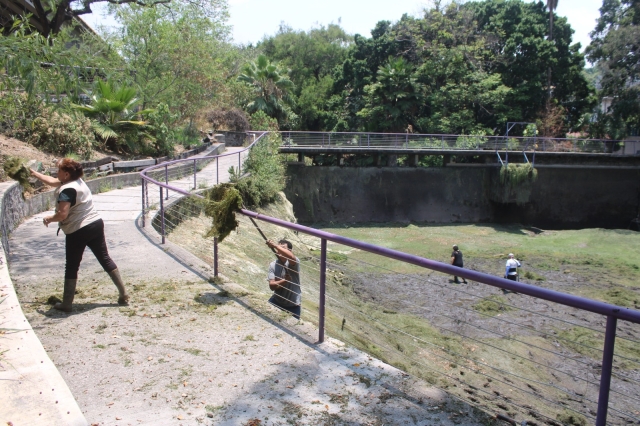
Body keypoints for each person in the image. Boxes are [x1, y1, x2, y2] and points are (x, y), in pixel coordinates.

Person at [30, 158, 129, 312]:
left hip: (78, 229)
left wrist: (49, 218)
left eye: (59, 171)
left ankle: (67, 303)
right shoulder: (77, 182)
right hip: (95, 223)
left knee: (72, 265)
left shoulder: (67, 190)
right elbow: (52, 181)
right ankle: (123, 293)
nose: (57, 174)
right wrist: (34, 174)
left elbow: (62, 214)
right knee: (104, 257)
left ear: (66, 174)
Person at [266, 239, 301, 320]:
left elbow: (291, 257)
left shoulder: (294, 263)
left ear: (290, 251)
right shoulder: (273, 265)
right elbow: (272, 286)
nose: (279, 250)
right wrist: (285, 280)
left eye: (282, 248)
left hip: (293, 305)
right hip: (276, 301)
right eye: (278, 248)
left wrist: (275, 246)